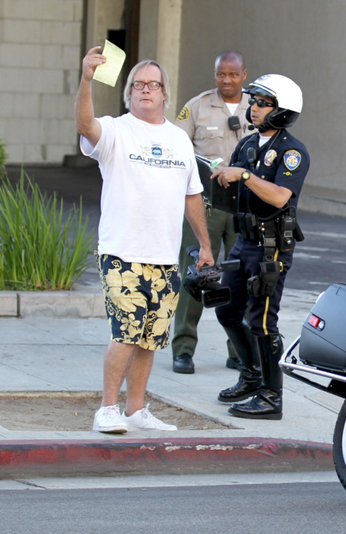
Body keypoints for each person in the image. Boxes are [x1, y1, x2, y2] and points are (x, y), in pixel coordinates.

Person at [76, 47, 214, 433]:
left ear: (165, 93)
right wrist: (87, 79)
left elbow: (192, 195)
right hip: (123, 252)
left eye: (153, 85)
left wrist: (204, 245)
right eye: (137, 85)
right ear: (129, 93)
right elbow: (85, 126)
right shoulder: (116, 130)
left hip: (165, 256)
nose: (145, 91)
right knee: (126, 330)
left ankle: (135, 410)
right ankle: (107, 408)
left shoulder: (178, 139)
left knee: (151, 338)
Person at [212, 74, 309, 419]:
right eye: (253, 102)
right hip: (244, 241)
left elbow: (281, 196)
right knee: (226, 309)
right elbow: (235, 188)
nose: (253, 108)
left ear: (282, 111)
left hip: (271, 248)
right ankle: (251, 375)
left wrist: (245, 176)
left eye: (262, 103)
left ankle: (271, 396)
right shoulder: (248, 145)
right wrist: (220, 175)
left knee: (263, 321)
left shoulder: (292, 151)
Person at [171, 51, 249, 374]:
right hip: (207, 202)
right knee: (195, 270)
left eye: (232, 74)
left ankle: (239, 349)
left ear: (244, 75)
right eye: (221, 74)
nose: (226, 80)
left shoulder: (257, 106)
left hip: (244, 204)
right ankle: (183, 349)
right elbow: (177, 144)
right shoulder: (198, 106)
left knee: (243, 275)